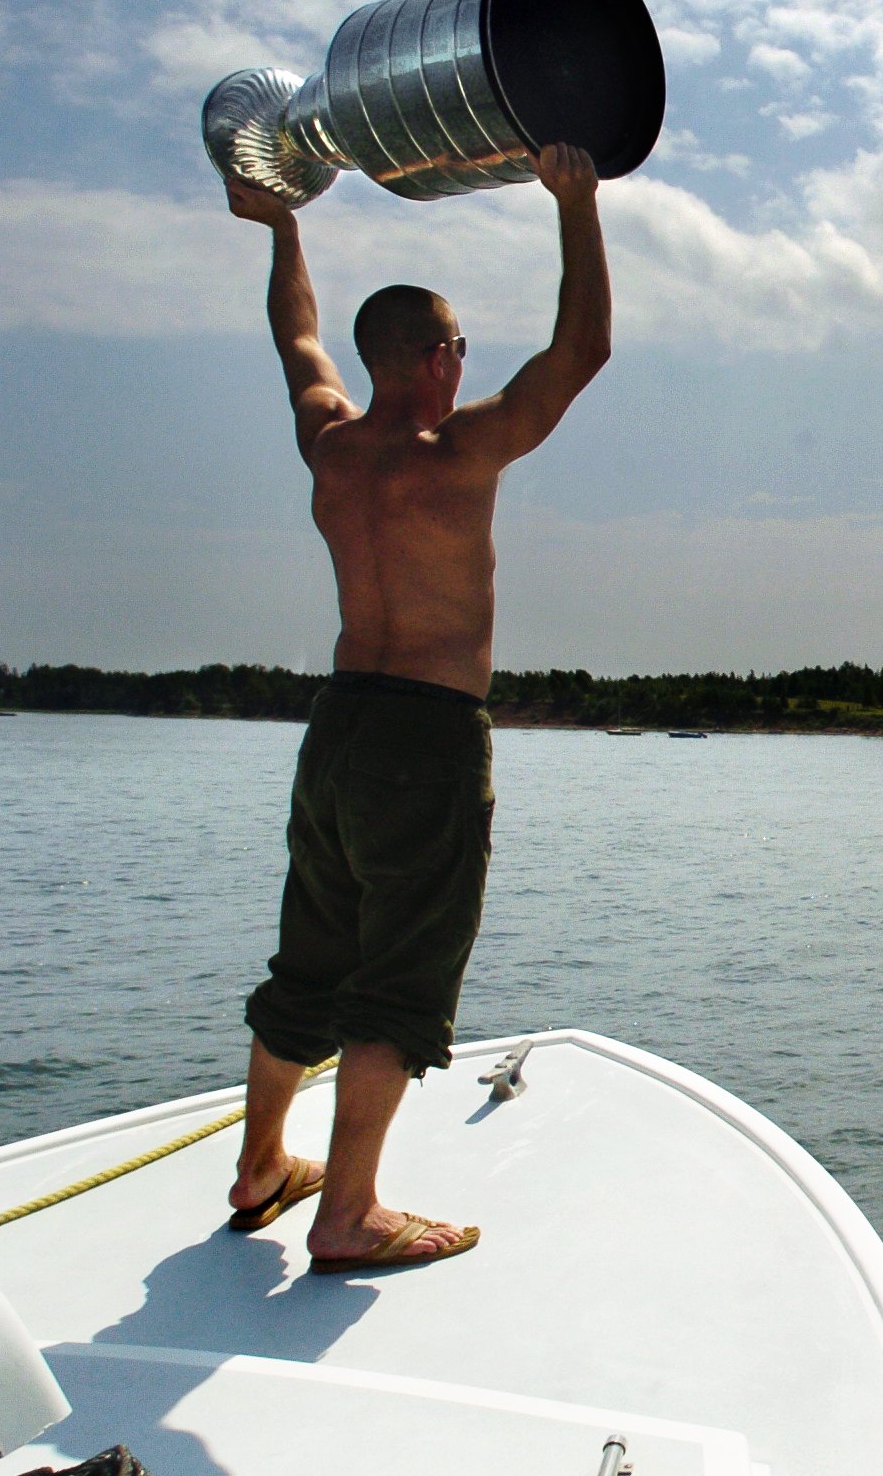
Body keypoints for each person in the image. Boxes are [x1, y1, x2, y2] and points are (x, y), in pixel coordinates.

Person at [220, 143, 612, 1274]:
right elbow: (581, 350)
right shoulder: (464, 448)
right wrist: (575, 207)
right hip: (426, 735)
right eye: (459, 345)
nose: (466, 362)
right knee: (397, 977)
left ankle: (261, 1166)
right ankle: (347, 1213)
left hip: (336, 727)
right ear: (436, 358)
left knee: (311, 954)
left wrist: (283, 229)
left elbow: (294, 337)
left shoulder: (330, 444)